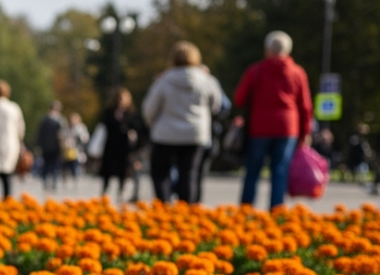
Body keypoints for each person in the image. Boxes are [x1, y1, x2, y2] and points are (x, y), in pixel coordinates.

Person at [233, 30, 312, 210]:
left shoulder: (255, 71)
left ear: (267, 50)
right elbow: (305, 106)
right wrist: (305, 132)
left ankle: (245, 211)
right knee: (280, 172)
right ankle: (277, 212)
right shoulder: (298, 73)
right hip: (287, 128)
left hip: (259, 127)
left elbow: (239, 99)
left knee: (252, 170)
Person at [142, 41, 223, 204]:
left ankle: (163, 207)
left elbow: (149, 109)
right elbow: (217, 105)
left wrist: (151, 122)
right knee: (189, 175)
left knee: (160, 173)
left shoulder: (164, 80)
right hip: (195, 134)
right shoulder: (207, 80)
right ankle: (186, 212)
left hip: (165, 134)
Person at [99, 87, 146, 203]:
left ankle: (120, 194)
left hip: (124, 147)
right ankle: (104, 194)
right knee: (108, 171)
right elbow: (105, 124)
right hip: (111, 145)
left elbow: (138, 128)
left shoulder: (131, 113)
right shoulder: (110, 111)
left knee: (123, 171)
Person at [37, 102, 67, 191]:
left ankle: (46, 181)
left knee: (47, 164)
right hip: (56, 146)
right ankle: (53, 182)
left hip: (46, 146)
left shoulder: (44, 119)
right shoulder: (60, 120)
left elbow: (39, 134)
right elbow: (63, 134)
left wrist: (38, 144)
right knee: (54, 165)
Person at [62, 113, 89, 184]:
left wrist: (80, 137)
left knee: (75, 164)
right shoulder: (67, 128)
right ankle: (67, 178)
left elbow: (85, 138)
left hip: (77, 150)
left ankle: (75, 178)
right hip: (68, 149)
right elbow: (63, 136)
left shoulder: (81, 128)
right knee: (67, 165)